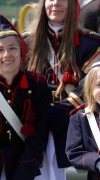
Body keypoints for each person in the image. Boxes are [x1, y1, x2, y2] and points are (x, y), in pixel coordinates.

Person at [24, 0, 100, 178]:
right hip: (35, 128)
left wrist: (64, 107)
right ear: (43, 3)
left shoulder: (89, 43)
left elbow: (93, 81)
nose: (56, 3)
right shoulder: (25, 42)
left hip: (73, 126)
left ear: (72, 5)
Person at [0, 15, 51, 180]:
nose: (7, 54)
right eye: (0, 49)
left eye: (12, 48)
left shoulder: (37, 84)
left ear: (21, 50)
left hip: (27, 161)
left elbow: (41, 130)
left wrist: (26, 167)